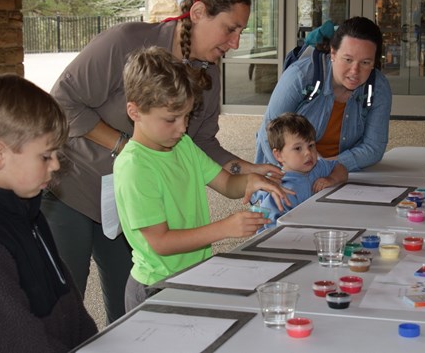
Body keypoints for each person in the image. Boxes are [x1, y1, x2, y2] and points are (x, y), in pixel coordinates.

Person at [43, 0, 282, 324]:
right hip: (76, 187)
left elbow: (199, 144)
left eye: (241, 32)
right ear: (198, 12)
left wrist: (248, 171)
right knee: (63, 308)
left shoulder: (207, 76)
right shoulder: (126, 42)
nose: (235, 43)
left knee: (127, 312)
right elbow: (63, 100)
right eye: (230, 28)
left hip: (138, 206)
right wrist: (129, 146)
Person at [113, 47, 291, 312]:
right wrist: (225, 228)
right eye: (171, 119)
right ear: (135, 111)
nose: (182, 128)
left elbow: (228, 184)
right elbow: (161, 242)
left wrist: (250, 180)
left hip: (192, 275)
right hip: (156, 286)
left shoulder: (183, 145)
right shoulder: (135, 166)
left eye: (186, 116)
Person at [0, 74, 97, 351]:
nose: (56, 165)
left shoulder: (27, 209)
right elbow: (17, 340)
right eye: (45, 156)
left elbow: (66, 292)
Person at [255, 16, 392, 172]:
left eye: (365, 62)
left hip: (341, 175)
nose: (355, 71)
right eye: (348, 59)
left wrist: (325, 168)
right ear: (332, 53)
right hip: (287, 174)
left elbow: (373, 148)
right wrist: (305, 173)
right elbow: (267, 135)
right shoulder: (300, 76)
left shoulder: (378, 88)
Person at [250, 112, 348, 231]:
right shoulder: (280, 187)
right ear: (279, 155)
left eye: (311, 145)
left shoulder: (318, 167)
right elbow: (269, 226)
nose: (308, 152)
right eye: (298, 148)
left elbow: (341, 169)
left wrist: (332, 179)